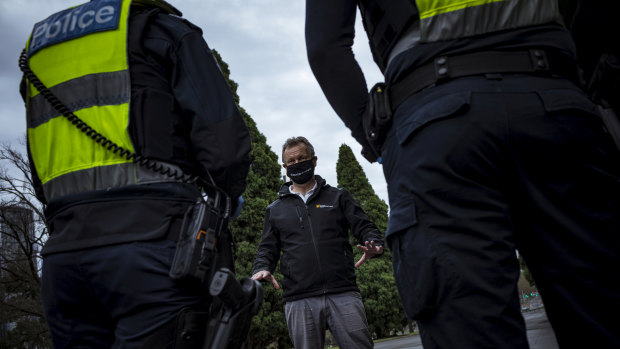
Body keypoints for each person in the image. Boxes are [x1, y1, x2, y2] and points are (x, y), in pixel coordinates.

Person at [305, 1, 620, 348]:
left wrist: (376, 137)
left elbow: (325, 46)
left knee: (469, 327)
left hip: (435, 123)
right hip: (555, 103)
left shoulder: (338, 197)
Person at [20, 0, 251, 347]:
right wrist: (228, 197)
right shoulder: (162, 29)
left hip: (64, 259)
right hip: (155, 252)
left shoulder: (38, 52)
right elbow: (225, 146)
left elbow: (40, 160)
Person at [251, 136, 383, 349]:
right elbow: (267, 247)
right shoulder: (274, 209)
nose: (297, 164)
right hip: (298, 298)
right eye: (291, 162)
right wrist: (262, 267)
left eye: (302, 158)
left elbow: (365, 227)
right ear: (285, 167)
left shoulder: (338, 197)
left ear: (314, 160)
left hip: (343, 292)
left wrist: (373, 243)